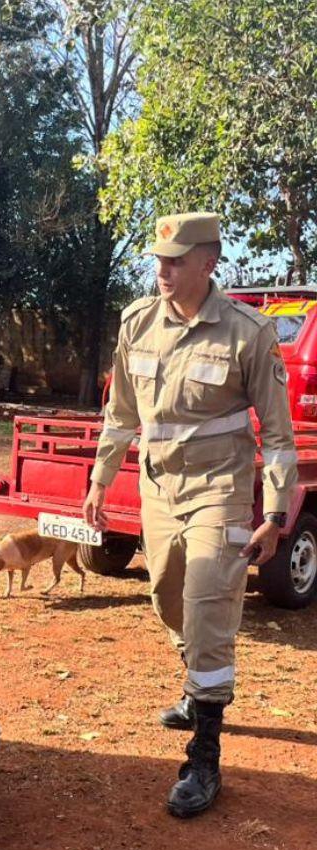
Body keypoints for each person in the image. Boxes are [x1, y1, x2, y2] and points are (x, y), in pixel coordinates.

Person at [81, 212, 296, 818]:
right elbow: (121, 412)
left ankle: (205, 754)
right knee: (166, 595)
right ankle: (195, 672)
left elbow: (277, 436)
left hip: (219, 489)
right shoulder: (137, 322)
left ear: (209, 262)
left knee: (206, 598)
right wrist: (101, 478)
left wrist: (275, 513)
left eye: (175, 260)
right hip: (158, 489)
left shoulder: (248, 333)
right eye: (158, 259)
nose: (162, 270)